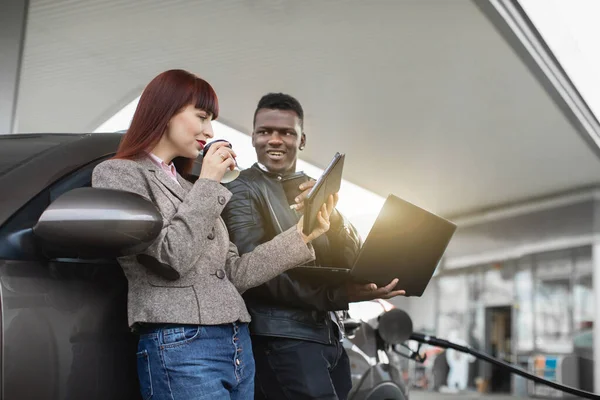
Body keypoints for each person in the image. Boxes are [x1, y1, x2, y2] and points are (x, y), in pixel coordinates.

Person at [91, 71, 336, 400]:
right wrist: (209, 184)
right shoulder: (118, 173)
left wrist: (303, 234)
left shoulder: (191, 187)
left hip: (235, 342)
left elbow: (234, 273)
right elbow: (168, 257)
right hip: (181, 344)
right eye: (202, 117)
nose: (209, 131)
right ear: (166, 111)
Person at [222, 93, 406, 400]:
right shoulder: (240, 187)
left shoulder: (314, 186)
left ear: (302, 139)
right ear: (253, 137)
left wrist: (331, 214)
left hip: (329, 335)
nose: (275, 140)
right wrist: (335, 295)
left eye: (286, 132)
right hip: (281, 337)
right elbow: (253, 272)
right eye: (265, 131)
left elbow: (351, 258)